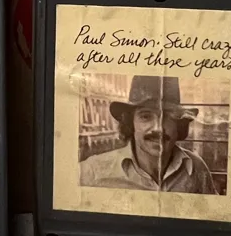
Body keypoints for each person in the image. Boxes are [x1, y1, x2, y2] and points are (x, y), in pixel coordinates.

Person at [78, 75, 216, 193]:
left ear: (179, 124)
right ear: (130, 123)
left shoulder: (197, 167)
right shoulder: (92, 172)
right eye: (145, 116)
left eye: (168, 116)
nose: (158, 128)